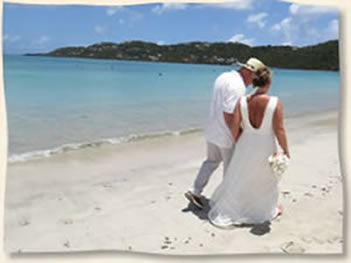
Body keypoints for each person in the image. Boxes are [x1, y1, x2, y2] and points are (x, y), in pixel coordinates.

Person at [208, 66, 290, 227]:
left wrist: (240, 141)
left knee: (241, 175)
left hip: (245, 143)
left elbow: (234, 125)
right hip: (265, 144)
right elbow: (279, 130)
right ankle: (264, 210)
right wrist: (285, 149)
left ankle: (237, 208)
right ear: (269, 82)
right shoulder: (275, 102)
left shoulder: (242, 101)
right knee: (264, 178)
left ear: (254, 82)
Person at [185, 58, 266, 209]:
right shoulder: (238, 86)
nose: (254, 81)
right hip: (225, 134)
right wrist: (237, 136)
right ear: (249, 72)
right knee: (231, 170)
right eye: (255, 77)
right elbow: (229, 115)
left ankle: (194, 190)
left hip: (212, 129)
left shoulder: (223, 76)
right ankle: (227, 203)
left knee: (211, 161)